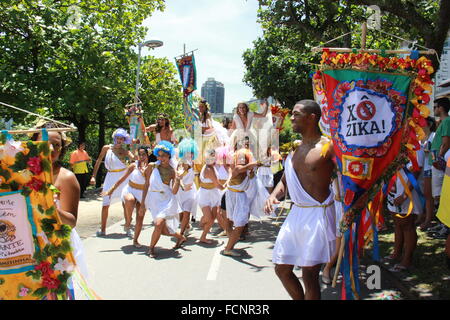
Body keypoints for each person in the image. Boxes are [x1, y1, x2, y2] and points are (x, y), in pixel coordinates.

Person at [264, 100, 337, 300]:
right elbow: (285, 182)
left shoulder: (329, 147)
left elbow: (348, 178)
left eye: (296, 114)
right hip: (296, 214)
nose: (292, 118)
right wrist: (273, 195)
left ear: (312, 117)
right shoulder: (295, 149)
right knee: (282, 269)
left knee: (309, 275)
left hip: (318, 215)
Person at [31, 122, 89, 282]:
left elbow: (71, 222)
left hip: (58, 247)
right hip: (27, 246)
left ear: (62, 149)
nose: (50, 149)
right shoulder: (21, 175)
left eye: (56, 145)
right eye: (44, 143)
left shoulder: (67, 178)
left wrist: (51, 207)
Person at [139, 141, 186, 257]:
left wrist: (178, 180)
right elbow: (146, 185)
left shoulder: (172, 171)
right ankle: (180, 237)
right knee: (163, 230)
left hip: (166, 200)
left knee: (158, 224)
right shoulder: (151, 166)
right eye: (159, 155)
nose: (161, 158)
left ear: (169, 155)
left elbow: (174, 191)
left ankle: (151, 249)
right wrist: (142, 204)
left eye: (164, 155)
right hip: (154, 199)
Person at [101, 146, 151, 246]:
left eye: (144, 155)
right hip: (130, 189)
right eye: (139, 154)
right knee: (129, 200)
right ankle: (128, 222)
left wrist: (143, 204)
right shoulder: (133, 166)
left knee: (140, 217)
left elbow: (149, 184)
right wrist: (111, 190)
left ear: (148, 155)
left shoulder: (151, 168)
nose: (141, 157)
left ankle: (135, 240)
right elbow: (122, 179)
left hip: (143, 192)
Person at [385, 149, 425, 272]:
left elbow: (416, 172)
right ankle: (396, 253)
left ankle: (407, 260)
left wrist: (404, 195)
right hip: (393, 189)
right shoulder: (396, 143)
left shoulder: (416, 148)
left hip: (407, 193)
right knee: (397, 223)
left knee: (407, 225)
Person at [90, 128, 135, 236]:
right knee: (105, 203)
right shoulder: (106, 148)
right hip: (110, 177)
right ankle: (103, 229)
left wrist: (135, 146)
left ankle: (128, 227)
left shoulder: (125, 151)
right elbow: (98, 161)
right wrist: (93, 176)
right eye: (118, 138)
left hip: (123, 178)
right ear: (114, 138)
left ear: (124, 140)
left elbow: (136, 159)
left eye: (122, 139)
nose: (119, 140)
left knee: (126, 203)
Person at [222, 147, 265, 256]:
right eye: (240, 158)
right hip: (235, 196)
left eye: (244, 158)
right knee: (239, 223)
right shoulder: (238, 168)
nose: (242, 160)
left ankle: (229, 244)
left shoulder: (246, 170)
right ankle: (228, 248)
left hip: (239, 196)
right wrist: (256, 163)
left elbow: (250, 175)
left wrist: (255, 167)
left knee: (239, 223)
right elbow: (246, 167)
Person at [429, 97, 450, 238]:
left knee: (439, 194)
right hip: (436, 162)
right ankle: (441, 223)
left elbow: (446, 142)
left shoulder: (447, 121)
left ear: (441, 108)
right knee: (436, 194)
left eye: (435, 106)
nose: (434, 109)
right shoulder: (443, 122)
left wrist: (438, 158)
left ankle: (445, 226)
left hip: (439, 162)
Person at [197, 149, 227, 244]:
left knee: (213, 217)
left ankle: (203, 236)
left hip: (214, 194)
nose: (212, 158)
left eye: (213, 157)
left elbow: (217, 182)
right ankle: (202, 223)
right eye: (210, 157)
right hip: (205, 195)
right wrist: (229, 184)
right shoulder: (208, 169)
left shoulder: (213, 167)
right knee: (209, 218)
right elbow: (219, 185)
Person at [175, 138, 199, 237]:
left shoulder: (193, 163)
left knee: (186, 213)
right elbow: (178, 177)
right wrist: (182, 186)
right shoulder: (181, 164)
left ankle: (181, 234)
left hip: (191, 192)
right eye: (187, 152)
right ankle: (186, 226)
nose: (190, 154)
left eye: (191, 152)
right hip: (181, 192)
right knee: (181, 215)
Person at [418, 117, 437, 231]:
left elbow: (435, 152)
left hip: (430, 168)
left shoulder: (434, 136)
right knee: (423, 194)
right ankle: (422, 216)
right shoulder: (420, 138)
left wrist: (429, 152)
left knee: (428, 195)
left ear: (429, 125)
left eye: (422, 123)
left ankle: (428, 220)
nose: (420, 125)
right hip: (421, 169)